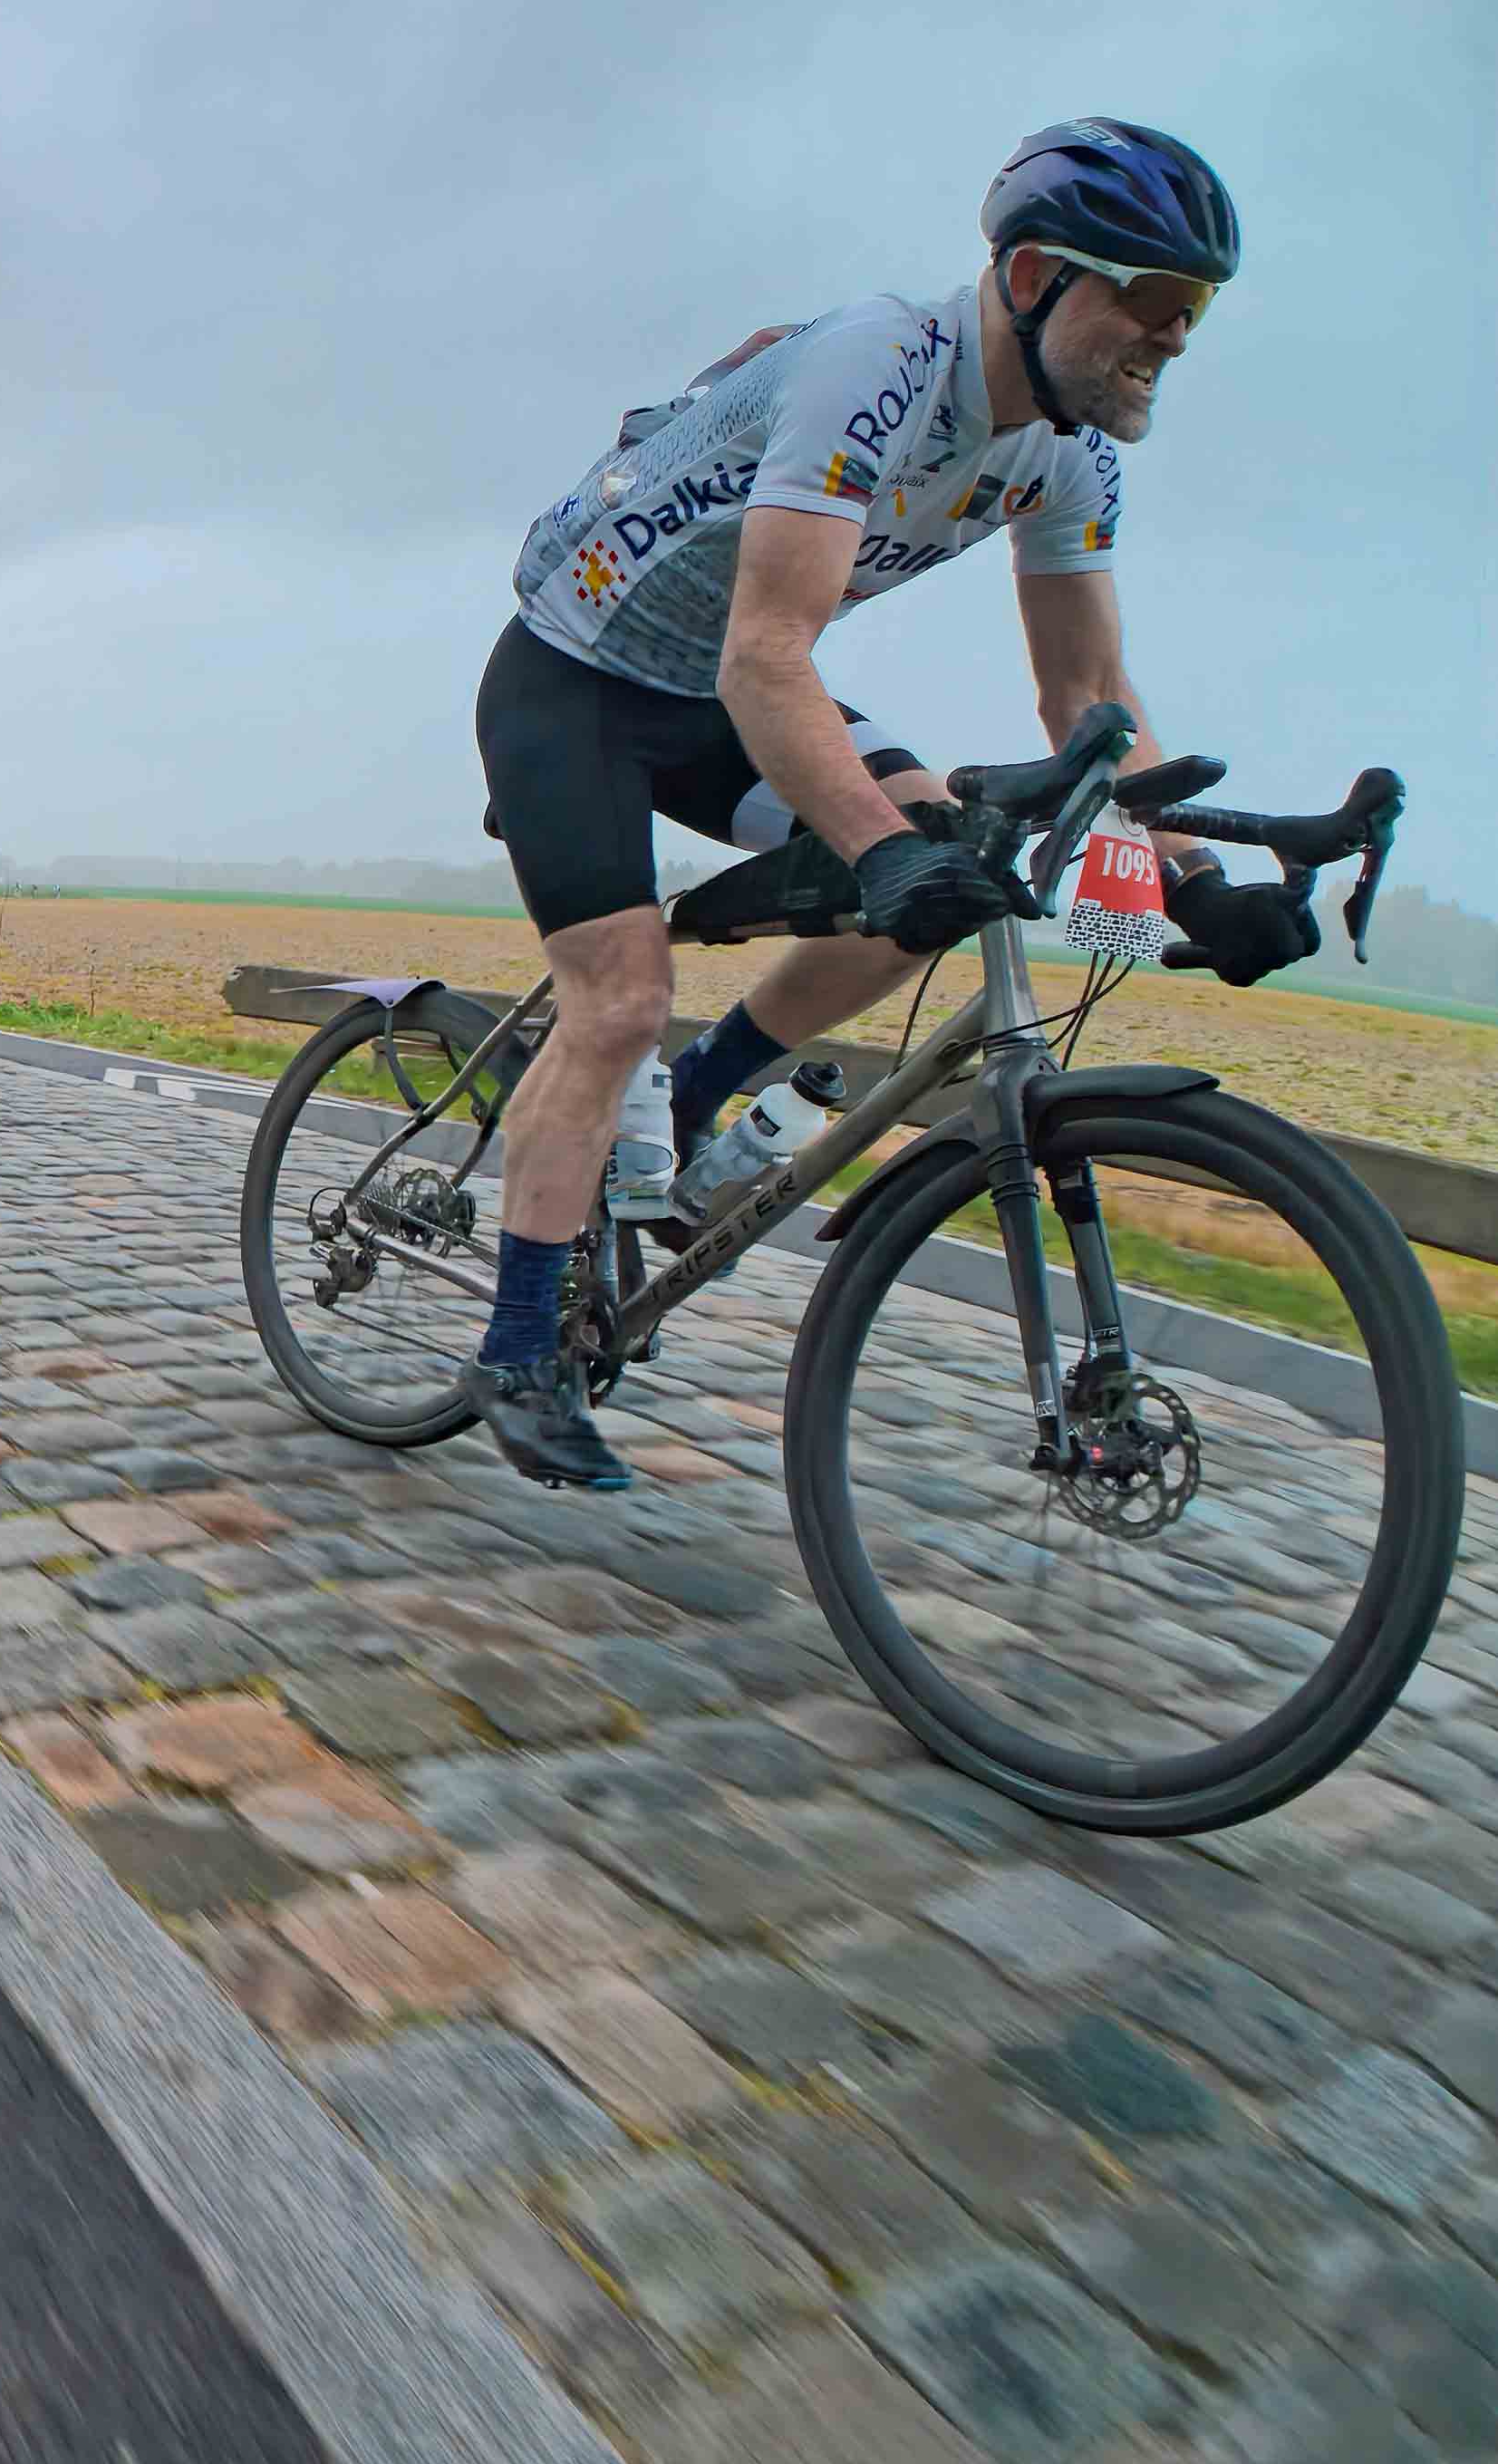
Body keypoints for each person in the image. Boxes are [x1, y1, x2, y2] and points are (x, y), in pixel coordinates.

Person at [465, 119, 1323, 1492]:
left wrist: (1193, 880)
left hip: (723, 693)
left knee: (948, 874)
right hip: (581, 679)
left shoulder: (1072, 453)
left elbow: (1088, 690)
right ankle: (517, 1350)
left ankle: (693, 1102)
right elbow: (768, 652)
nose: (1176, 335)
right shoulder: (878, 366)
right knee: (619, 998)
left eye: (1198, 308)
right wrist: (875, 846)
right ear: (1035, 276)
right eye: (1156, 298)